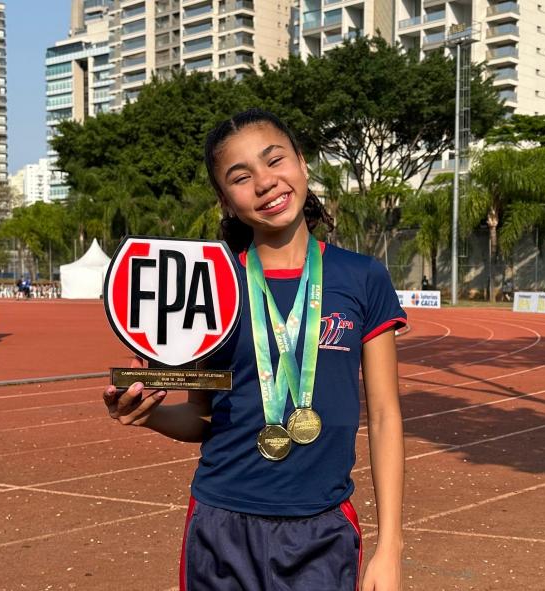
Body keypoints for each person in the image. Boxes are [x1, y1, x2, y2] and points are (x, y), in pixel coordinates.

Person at [103, 109, 406, 591]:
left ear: (303, 164)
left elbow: (387, 415)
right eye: (241, 177)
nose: (265, 183)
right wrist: (146, 412)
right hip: (222, 524)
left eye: (275, 161)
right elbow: (201, 417)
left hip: (322, 528)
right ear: (225, 199)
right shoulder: (213, 285)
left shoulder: (362, 277)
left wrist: (391, 545)